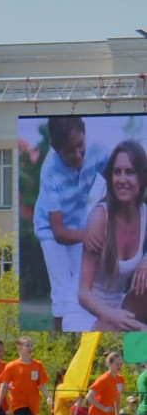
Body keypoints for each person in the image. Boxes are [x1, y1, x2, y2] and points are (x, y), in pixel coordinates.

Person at [34, 116, 108, 330]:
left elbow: (120, 182)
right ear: (56, 148)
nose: (78, 155)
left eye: (80, 146)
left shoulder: (98, 150)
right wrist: (91, 235)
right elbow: (58, 231)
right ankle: (59, 332)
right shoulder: (49, 171)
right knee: (61, 289)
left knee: (83, 286)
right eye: (69, 151)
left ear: (85, 132)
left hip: (79, 225)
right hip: (51, 231)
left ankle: (82, 330)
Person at [77, 140, 147, 332]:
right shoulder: (100, 217)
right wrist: (110, 314)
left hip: (120, 306)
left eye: (130, 172)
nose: (122, 179)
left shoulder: (144, 213)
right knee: (137, 333)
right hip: (91, 311)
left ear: (142, 177)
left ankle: (137, 353)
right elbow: (83, 293)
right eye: (117, 172)